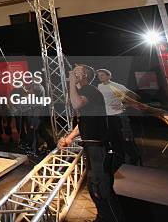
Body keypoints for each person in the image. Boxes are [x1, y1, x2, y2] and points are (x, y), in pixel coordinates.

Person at [59, 65, 125, 222]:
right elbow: (82, 122)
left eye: (77, 72)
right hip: (91, 146)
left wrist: (71, 83)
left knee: (101, 189)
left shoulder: (89, 90)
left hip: (99, 147)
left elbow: (76, 104)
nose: (73, 73)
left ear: (85, 76)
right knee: (94, 187)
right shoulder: (85, 92)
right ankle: (102, 217)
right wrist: (69, 137)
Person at [96, 69, 141, 166]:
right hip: (108, 118)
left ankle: (135, 161)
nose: (100, 77)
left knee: (126, 140)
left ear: (109, 76)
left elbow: (135, 96)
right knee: (114, 141)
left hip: (119, 116)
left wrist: (124, 105)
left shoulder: (116, 86)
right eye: (99, 75)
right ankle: (121, 162)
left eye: (102, 75)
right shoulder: (99, 86)